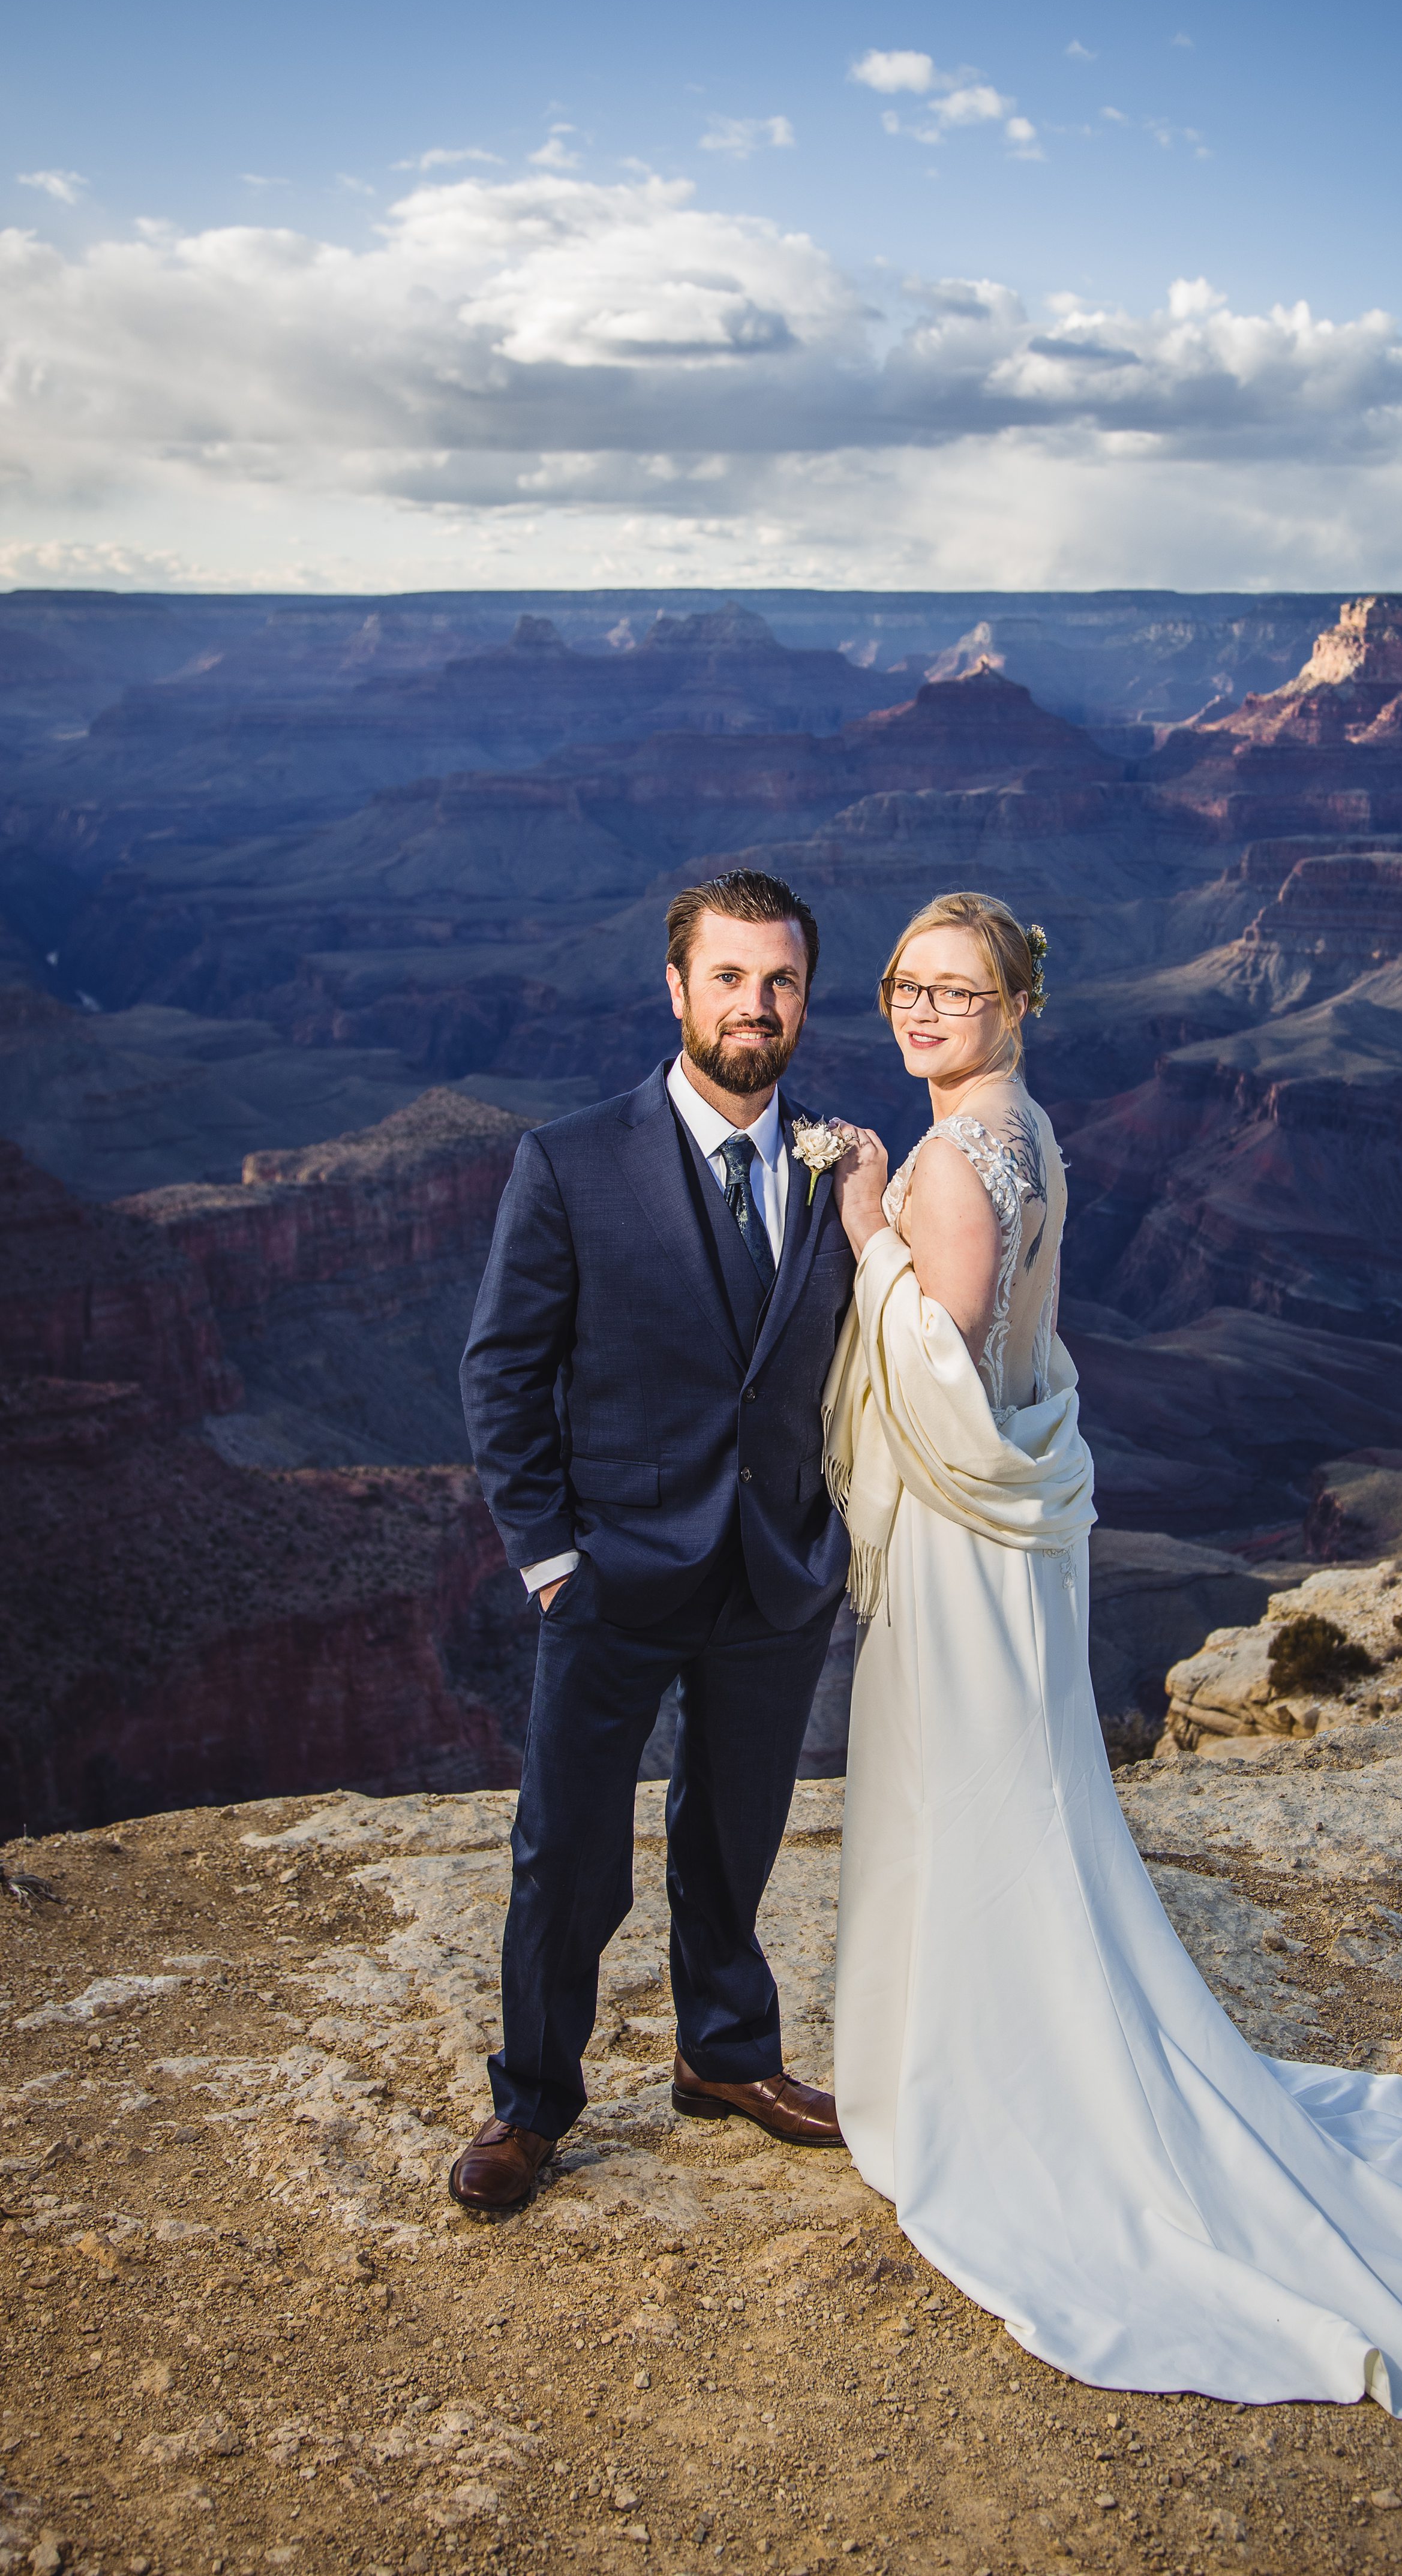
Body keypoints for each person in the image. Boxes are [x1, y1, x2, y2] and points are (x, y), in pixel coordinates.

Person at [819, 887, 1402, 2416]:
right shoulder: (1026, 1130)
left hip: (973, 1546)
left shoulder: (955, 1168)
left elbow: (945, 1380)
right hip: (1029, 1533)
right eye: (906, 983)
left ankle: (988, 2086)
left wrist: (862, 1239)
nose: (921, 1010)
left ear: (1016, 1004)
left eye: (955, 991)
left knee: (968, 1798)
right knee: (1022, 1800)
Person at [451, 869, 855, 2213]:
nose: (757, 1005)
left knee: (734, 1835)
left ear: (806, 998)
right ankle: (533, 2106)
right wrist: (552, 1558)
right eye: (730, 978)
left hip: (777, 1571)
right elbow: (503, 1368)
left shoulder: (840, 1168)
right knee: (566, 1850)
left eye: (781, 981)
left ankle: (724, 2055)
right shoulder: (569, 1160)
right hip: (615, 1573)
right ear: (677, 989)